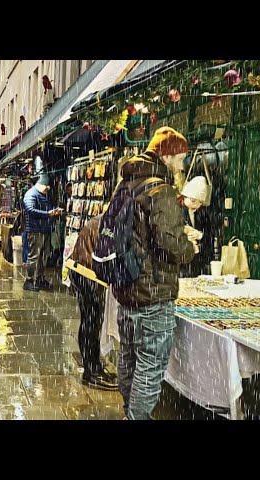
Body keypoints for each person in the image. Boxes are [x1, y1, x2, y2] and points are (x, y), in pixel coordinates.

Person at [113, 126, 196, 420]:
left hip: (127, 290)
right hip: (154, 292)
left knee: (129, 359)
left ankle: (129, 412)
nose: (183, 165)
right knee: (149, 365)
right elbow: (168, 243)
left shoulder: (126, 186)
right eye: (182, 158)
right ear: (169, 155)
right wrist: (190, 248)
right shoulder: (160, 190)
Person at [67, 214, 118, 390]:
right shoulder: (113, 221)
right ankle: (91, 373)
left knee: (91, 322)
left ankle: (94, 367)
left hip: (83, 272)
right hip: (88, 275)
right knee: (91, 323)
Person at [23, 174, 62, 292]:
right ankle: (29, 281)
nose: (48, 189)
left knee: (43, 257)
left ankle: (39, 279)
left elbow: (46, 210)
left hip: (45, 230)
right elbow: (30, 210)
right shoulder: (31, 194)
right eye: (46, 186)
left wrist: (54, 212)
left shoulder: (44, 195)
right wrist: (48, 214)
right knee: (34, 257)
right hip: (35, 231)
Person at [178, 176, 208, 277]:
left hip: (197, 263)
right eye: (193, 200)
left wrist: (201, 235)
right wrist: (185, 237)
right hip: (181, 263)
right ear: (184, 196)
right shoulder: (175, 210)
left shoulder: (202, 213)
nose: (196, 205)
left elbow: (211, 235)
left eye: (200, 202)